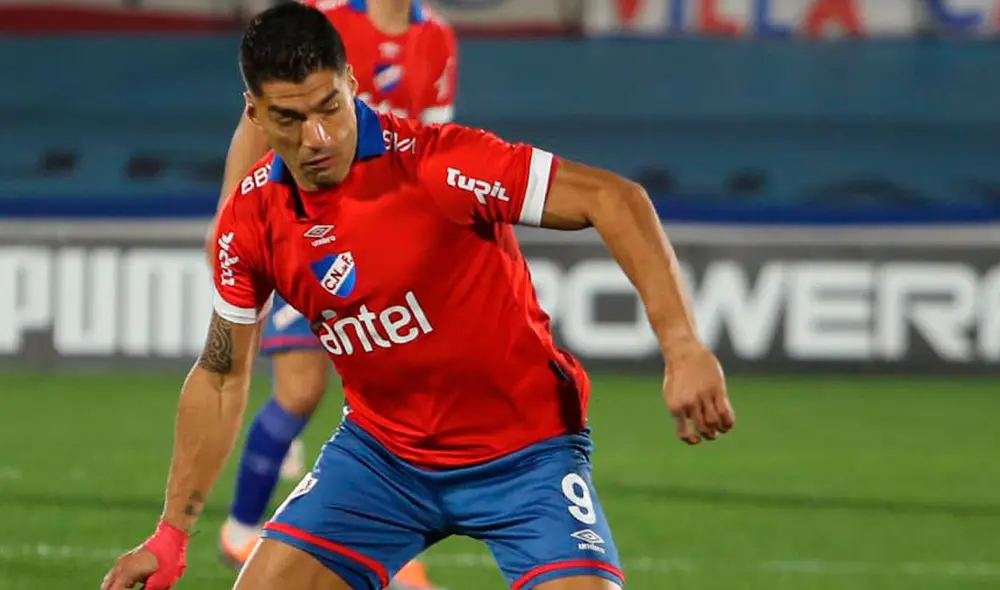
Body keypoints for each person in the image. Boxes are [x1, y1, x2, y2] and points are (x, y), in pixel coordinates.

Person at [101, 4, 735, 590]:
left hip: (527, 457)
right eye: (290, 119)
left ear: (351, 82)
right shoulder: (251, 222)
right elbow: (219, 375)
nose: (316, 137)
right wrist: (170, 535)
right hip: (381, 462)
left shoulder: (438, 165)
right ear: (255, 116)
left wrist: (682, 347)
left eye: (328, 106)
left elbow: (614, 198)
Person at [213, 1, 456, 587]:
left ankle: (379, 533)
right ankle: (243, 529)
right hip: (307, 226)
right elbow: (258, 124)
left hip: (389, 240)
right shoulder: (325, 24)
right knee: (299, 390)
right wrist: (229, 220)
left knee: (401, 387)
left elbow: (435, 141)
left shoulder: (438, 39)